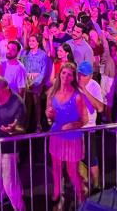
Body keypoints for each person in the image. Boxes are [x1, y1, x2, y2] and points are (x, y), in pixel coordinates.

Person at [45, 62, 89, 207]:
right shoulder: (52, 92)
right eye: (63, 73)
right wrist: (49, 115)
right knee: (56, 167)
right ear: (59, 74)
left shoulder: (77, 96)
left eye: (69, 74)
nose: (65, 76)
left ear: (73, 77)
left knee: (72, 171)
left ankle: (81, 194)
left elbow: (84, 119)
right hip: (56, 135)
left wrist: (73, 125)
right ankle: (57, 191)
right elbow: (49, 116)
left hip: (72, 138)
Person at [0, 76, 26, 211]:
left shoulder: (17, 103)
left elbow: (22, 128)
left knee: (10, 183)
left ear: (4, 90)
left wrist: (13, 129)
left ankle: (19, 207)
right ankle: (4, 196)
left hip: (9, 149)